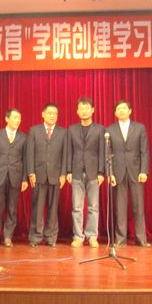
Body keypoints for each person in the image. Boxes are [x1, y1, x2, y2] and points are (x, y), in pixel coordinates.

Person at [106, 100, 150, 247]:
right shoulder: (110, 130)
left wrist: (144, 171)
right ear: (115, 113)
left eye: (124, 108)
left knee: (139, 206)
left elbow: (144, 151)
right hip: (118, 172)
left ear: (130, 111)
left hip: (136, 172)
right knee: (120, 207)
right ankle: (120, 239)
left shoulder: (139, 128)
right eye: (119, 109)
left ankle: (141, 238)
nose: (121, 111)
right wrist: (110, 173)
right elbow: (107, 153)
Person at [0, 109, 28, 247]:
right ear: (7, 119)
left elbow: (25, 159)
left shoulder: (23, 137)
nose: (17, 120)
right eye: (14, 118)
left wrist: (24, 179)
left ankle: (8, 237)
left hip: (16, 176)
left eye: (19, 118)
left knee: (12, 208)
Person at [27, 103, 67, 247]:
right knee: (37, 208)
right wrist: (31, 172)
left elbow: (65, 154)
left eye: (55, 113)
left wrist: (63, 174)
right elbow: (29, 153)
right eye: (49, 113)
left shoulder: (63, 132)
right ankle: (35, 237)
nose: (52, 116)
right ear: (43, 114)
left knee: (53, 207)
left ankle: (51, 237)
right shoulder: (34, 130)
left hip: (56, 175)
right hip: (38, 175)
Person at [66, 97, 105, 248]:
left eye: (87, 108)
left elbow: (102, 151)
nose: (84, 111)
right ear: (77, 111)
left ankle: (92, 236)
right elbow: (69, 151)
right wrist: (68, 170)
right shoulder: (72, 129)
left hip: (94, 172)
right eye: (81, 108)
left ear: (93, 110)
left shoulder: (99, 129)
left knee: (93, 206)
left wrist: (101, 172)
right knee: (77, 207)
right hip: (76, 172)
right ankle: (78, 236)